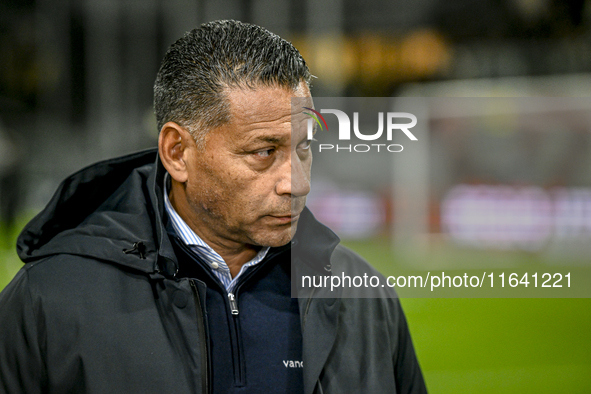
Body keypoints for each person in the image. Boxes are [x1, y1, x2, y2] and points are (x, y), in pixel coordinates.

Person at [0, 20, 427, 394]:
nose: (297, 183)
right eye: (264, 152)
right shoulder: (50, 300)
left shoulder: (362, 293)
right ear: (177, 151)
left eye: (304, 148)